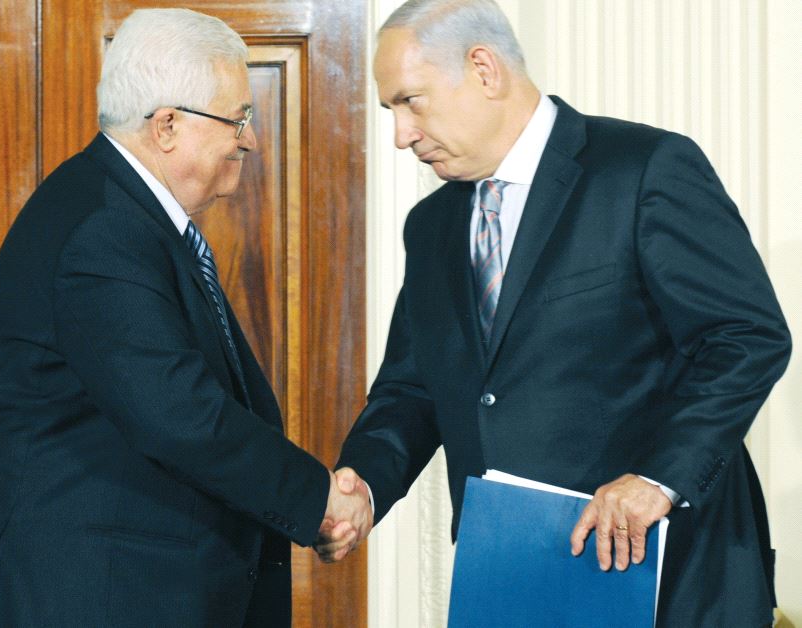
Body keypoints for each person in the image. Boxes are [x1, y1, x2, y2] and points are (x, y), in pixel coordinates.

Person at [317, 1, 791, 626]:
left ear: (483, 69)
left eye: (411, 102)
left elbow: (746, 336)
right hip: (512, 572)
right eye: (391, 111)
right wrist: (364, 487)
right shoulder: (429, 225)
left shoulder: (644, 169)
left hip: (666, 571)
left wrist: (656, 479)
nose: (401, 134)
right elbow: (412, 388)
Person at [0, 8, 370, 627]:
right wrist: (316, 495)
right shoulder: (103, 228)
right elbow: (178, 413)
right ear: (166, 126)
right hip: (79, 597)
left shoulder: (124, 215)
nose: (249, 138)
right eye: (238, 118)